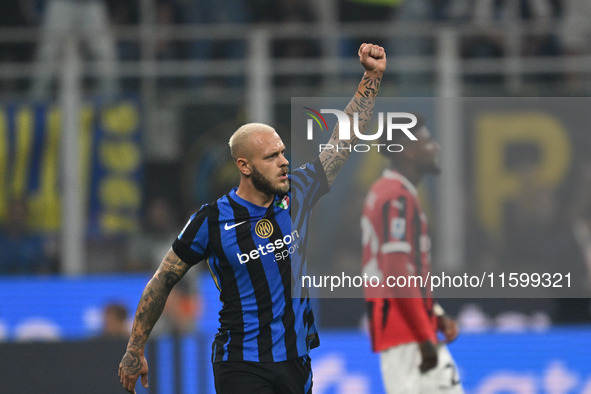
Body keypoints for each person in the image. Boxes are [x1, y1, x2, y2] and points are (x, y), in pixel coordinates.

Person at [118, 42, 387, 394]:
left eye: (283, 153)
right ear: (244, 166)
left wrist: (371, 77)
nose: (284, 162)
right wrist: (134, 349)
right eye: (271, 157)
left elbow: (342, 140)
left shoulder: (299, 191)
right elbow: (162, 280)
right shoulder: (211, 220)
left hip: (297, 359)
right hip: (241, 363)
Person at [360, 115, 463, 393]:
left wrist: (436, 314)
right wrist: (424, 335)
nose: (435, 147)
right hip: (406, 332)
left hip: (405, 327)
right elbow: (395, 271)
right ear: (406, 149)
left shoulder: (386, 191)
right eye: (427, 141)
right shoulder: (396, 197)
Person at [30, 0, 119, 99]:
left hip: (91, 4)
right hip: (61, 4)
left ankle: (111, 99)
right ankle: (36, 99)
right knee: (48, 52)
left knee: (104, 51)